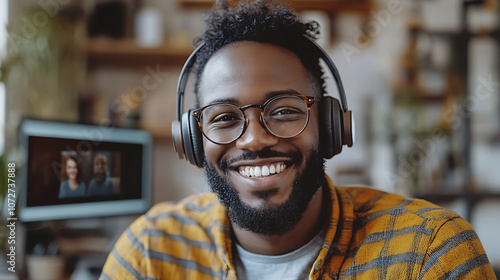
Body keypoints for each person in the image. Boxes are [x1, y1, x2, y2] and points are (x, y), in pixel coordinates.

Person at [100, 1, 495, 279]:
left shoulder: (430, 254)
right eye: (223, 118)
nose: (254, 139)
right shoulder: (149, 253)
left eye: (285, 111)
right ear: (190, 138)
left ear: (328, 125)